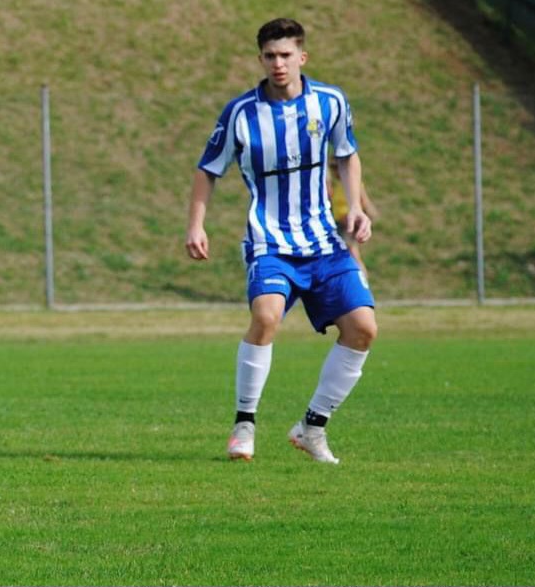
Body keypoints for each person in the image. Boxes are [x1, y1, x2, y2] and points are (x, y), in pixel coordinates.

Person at [185, 17, 378, 464]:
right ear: (261, 59)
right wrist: (196, 224)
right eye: (270, 56)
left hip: (323, 241)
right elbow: (206, 170)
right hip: (269, 241)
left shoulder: (330, 103)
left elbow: (347, 155)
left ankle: (312, 427)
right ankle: (244, 424)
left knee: (364, 329)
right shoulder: (240, 113)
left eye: (286, 55)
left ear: (302, 57)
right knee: (266, 315)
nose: (278, 64)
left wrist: (356, 208)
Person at [327, 155, 379, 274]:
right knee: (346, 252)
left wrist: (368, 212)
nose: (334, 171)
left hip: (348, 223)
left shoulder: (353, 184)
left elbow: (363, 200)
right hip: (339, 222)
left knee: (352, 251)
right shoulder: (338, 185)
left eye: (335, 168)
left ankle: (361, 276)